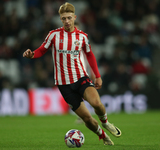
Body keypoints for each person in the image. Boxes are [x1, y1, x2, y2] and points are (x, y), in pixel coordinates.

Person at [23, 2, 121, 145]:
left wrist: (97, 75)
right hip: (64, 85)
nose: (66, 21)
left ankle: (105, 122)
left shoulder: (82, 36)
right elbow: (41, 50)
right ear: (60, 19)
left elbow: (90, 55)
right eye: (63, 18)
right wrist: (32, 55)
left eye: (69, 18)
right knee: (87, 118)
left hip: (81, 78)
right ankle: (103, 136)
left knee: (96, 103)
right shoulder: (53, 35)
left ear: (75, 17)